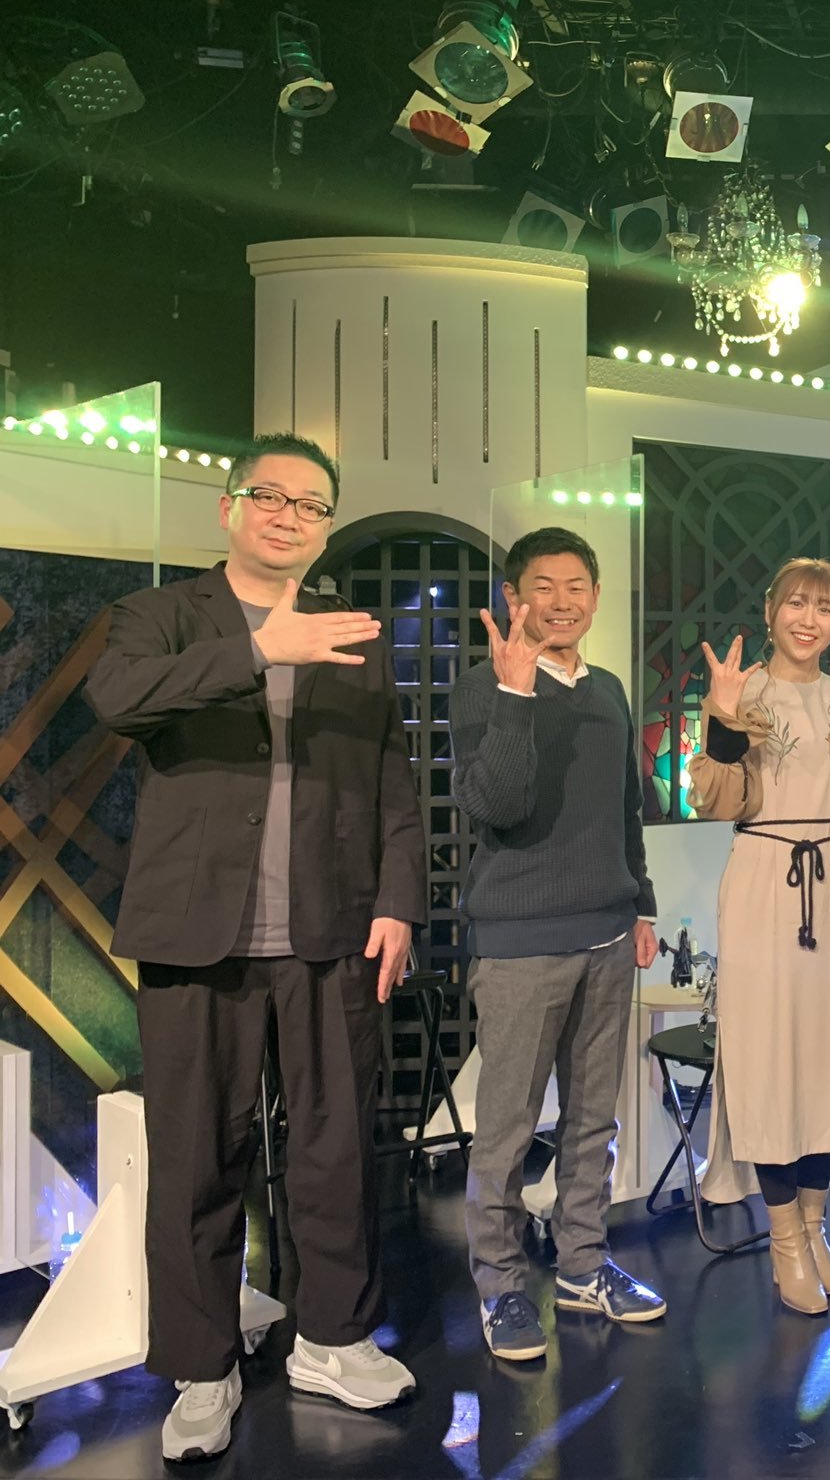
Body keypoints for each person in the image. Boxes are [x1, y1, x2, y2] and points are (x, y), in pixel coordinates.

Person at [85, 433, 425, 1462]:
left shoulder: (352, 633)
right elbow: (117, 700)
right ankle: (201, 1365)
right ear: (229, 507)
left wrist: (398, 901)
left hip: (331, 929)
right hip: (197, 934)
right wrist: (260, 651)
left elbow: (392, 778)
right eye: (269, 496)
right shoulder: (161, 615)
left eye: (311, 505)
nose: (288, 516)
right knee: (197, 1156)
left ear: (326, 527)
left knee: (336, 1148)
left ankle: (332, 1337)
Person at [450, 526, 666, 1361]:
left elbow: (626, 811)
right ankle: (501, 1284)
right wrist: (516, 695)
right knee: (506, 1128)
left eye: (577, 586)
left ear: (596, 598)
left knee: (592, 1120)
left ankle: (583, 1262)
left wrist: (642, 903)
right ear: (514, 598)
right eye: (543, 586)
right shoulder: (484, 689)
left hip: (608, 934)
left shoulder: (608, 689)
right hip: (520, 944)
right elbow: (496, 805)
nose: (562, 601)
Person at [686, 558, 830, 1314]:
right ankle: (783, 1240)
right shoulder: (740, 694)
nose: (808, 619)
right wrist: (724, 722)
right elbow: (715, 799)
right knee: (768, 1058)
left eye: (824, 607)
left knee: (828, 1056)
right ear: (770, 611)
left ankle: (816, 1231)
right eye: (796, 603)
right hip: (764, 877)